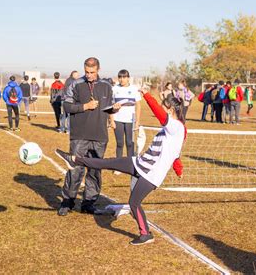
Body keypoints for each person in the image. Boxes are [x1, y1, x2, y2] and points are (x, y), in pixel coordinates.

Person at [55, 88, 186, 245]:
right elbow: (176, 155)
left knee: (134, 203)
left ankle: (146, 234)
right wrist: (179, 170)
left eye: (164, 106)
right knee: (107, 163)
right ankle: (74, 160)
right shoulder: (173, 129)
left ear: (170, 110)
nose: (161, 109)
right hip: (139, 163)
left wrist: (146, 96)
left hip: (151, 175)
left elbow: (161, 118)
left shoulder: (176, 127)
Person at [57, 57, 114, 216]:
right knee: (75, 169)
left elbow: (109, 107)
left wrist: (114, 110)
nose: (89, 75)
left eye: (92, 72)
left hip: (100, 136)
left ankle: (89, 203)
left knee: (95, 171)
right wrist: (85, 106)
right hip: (79, 136)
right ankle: (67, 202)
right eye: (87, 72)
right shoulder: (76, 84)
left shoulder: (107, 86)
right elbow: (66, 106)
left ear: (98, 70)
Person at [112, 69, 142, 158]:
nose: (122, 79)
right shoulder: (114, 89)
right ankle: (118, 165)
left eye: (124, 77)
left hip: (130, 120)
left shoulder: (134, 89)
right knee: (120, 143)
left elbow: (138, 105)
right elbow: (110, 105)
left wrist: (137, 121)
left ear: (128, 78)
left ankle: (130, 164)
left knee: (130, 143)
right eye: (120, 77)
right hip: (118, 119)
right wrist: (112, 120)